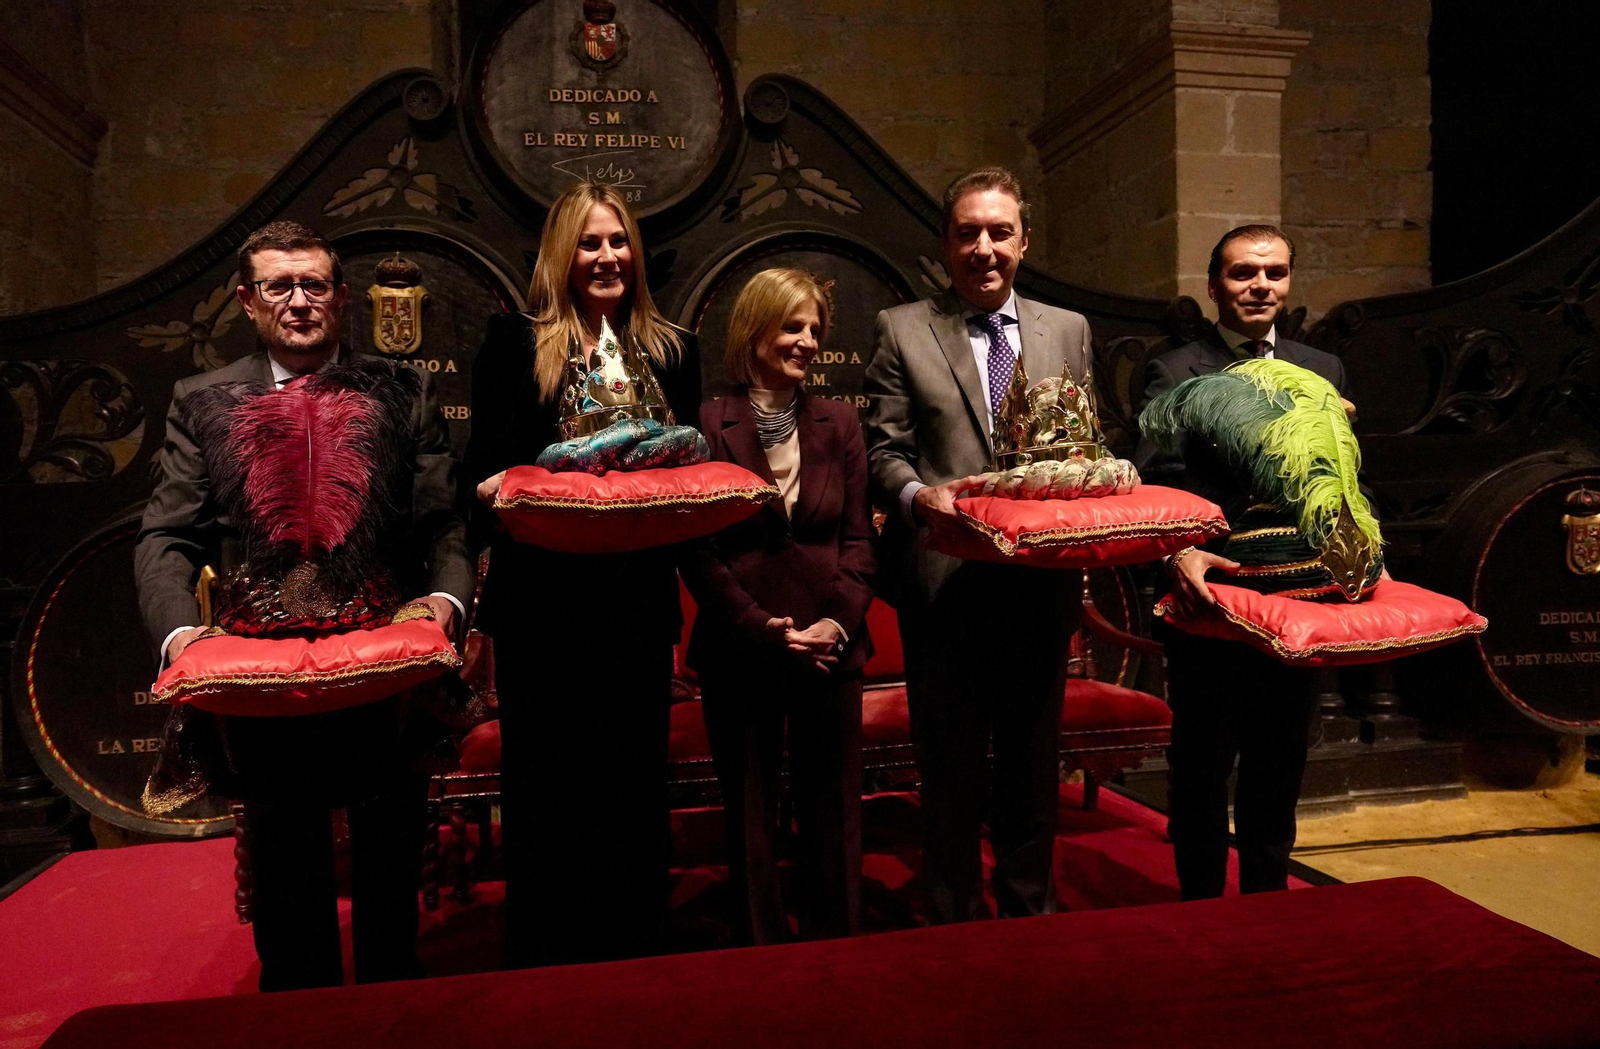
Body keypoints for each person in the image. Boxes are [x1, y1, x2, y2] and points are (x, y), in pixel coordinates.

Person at [134, 219, 474, 991]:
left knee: (391, 870)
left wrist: (447, 603)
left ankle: (396, 1010)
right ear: (247, 300)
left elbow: (443, 521)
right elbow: (164, 536)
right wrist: (183, 635)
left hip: (384, 666)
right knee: (289, 888)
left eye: (314, 284)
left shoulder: (403, 388)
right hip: (265, 678)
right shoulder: (202, 400)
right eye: (278, 286)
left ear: (341, 296)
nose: (298, 302)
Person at [464, 182, 701, 966]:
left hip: (633, 602)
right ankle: (545, 952)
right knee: (545, 789)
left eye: (619, 241)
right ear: (562, 255)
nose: (607, 257)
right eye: (591, 244)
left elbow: (685, 481)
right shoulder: (512, 343)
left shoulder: (673, 350)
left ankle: (635, 944)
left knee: (632, 787)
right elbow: (485, 476)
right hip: (542, 607)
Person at [862, 167, 1090, 923]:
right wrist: (915, 495)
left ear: (1024, 241)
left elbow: (1087, 444)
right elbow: (882, 449)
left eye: (999, 232)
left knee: (1032, 763)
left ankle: (1031, 905)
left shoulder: (1069, 330)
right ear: (946, 243)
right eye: (968, 232)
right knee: (951, 767)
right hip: (946, 583)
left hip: (1040, 582)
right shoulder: (902, 327)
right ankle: (951, 907)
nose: (984, 248)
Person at [1133, 223, 1347, 899]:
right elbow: (1149, 483)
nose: (1260, 286)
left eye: (1274, 273)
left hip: (1298, 595)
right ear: (1214, 285)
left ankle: (1267, 903)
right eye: (1243, 273)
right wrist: (1178, 552)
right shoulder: (1174, 369)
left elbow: (1342, 478)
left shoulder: (1324, 369)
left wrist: (1361, 553)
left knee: (1279, 759)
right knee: (1201, 761)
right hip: (1210, 595)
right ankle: (1199, 907)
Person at [681, 268, 876, 944]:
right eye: (793, 325)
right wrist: (761, 626)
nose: (808, 340)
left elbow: (859, 539)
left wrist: (838, 622)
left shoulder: (840, 421)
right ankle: (758, 951)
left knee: (835, 816)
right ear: (756, 331)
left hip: (830, 647)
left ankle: (838, 943)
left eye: (815, 328)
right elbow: (697, 548)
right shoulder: (708, 421)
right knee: (750, 819)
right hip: (742, 648)